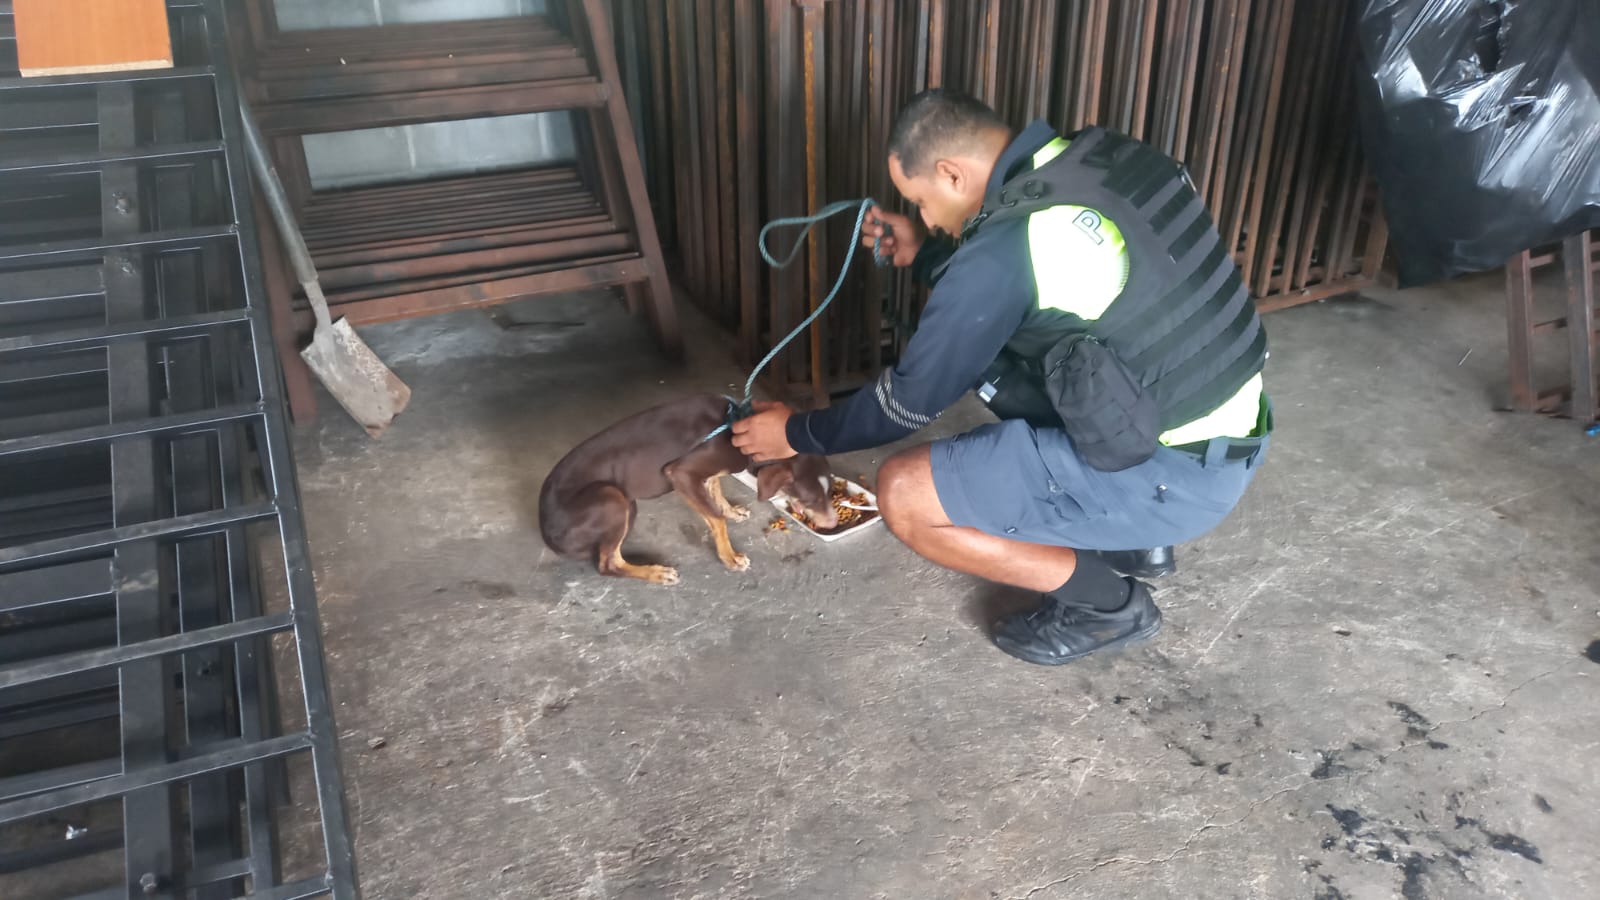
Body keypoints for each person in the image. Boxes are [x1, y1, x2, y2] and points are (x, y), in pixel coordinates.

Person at [732, 89, 1271, 666]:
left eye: (921, 201)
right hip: (1221, 432)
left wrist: (795, 434)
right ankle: (1138, 541)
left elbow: (905, 404)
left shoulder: (1006, 250)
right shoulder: (1101, 159)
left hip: (1173, 474)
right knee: (991, 357)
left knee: (905, 496)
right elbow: (1030, 284)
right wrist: (930, 255)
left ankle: (1108, 607)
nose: (926, 218)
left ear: (951, 173)